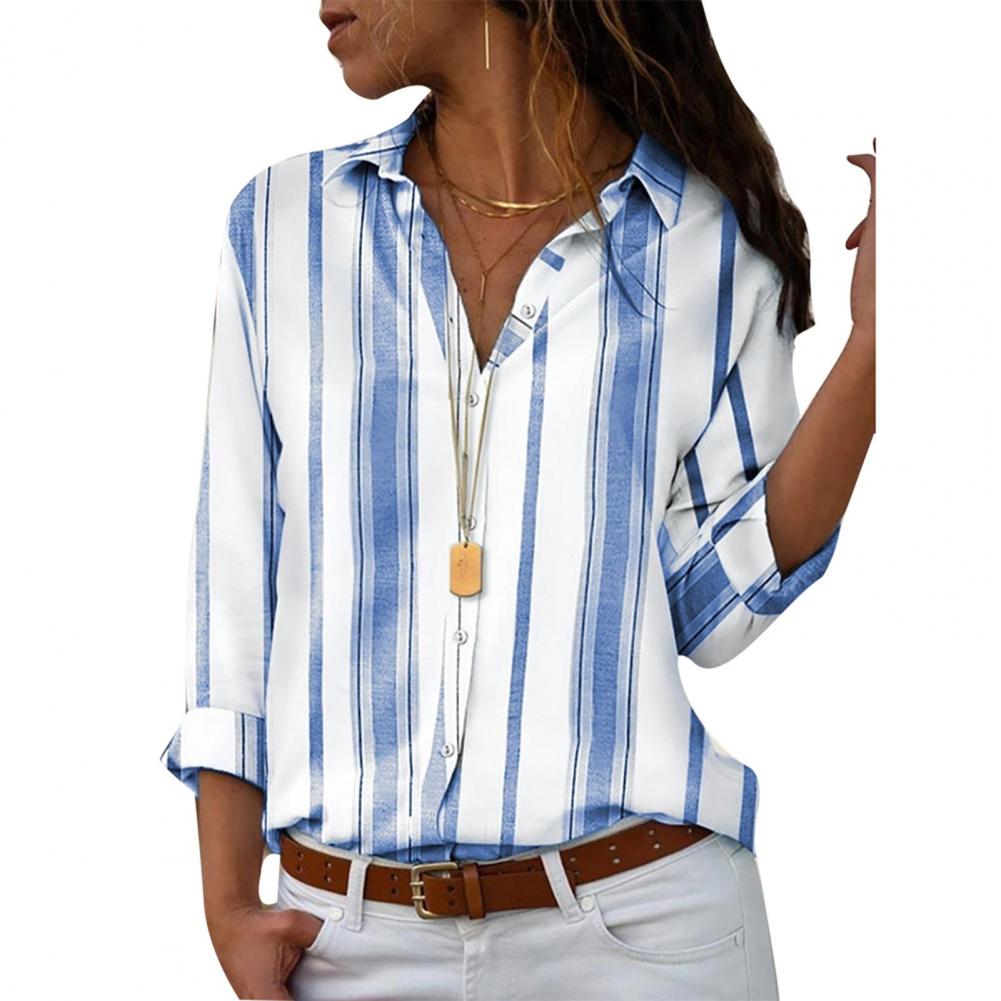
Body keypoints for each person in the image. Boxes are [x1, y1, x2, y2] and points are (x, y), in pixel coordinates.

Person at [159, 2, 876, 998]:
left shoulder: (708, 239)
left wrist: (877, 350)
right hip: (342, 943)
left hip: (644, 936)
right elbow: (234, 588)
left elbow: (711, 611)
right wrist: (227, 904)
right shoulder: (284, 225)